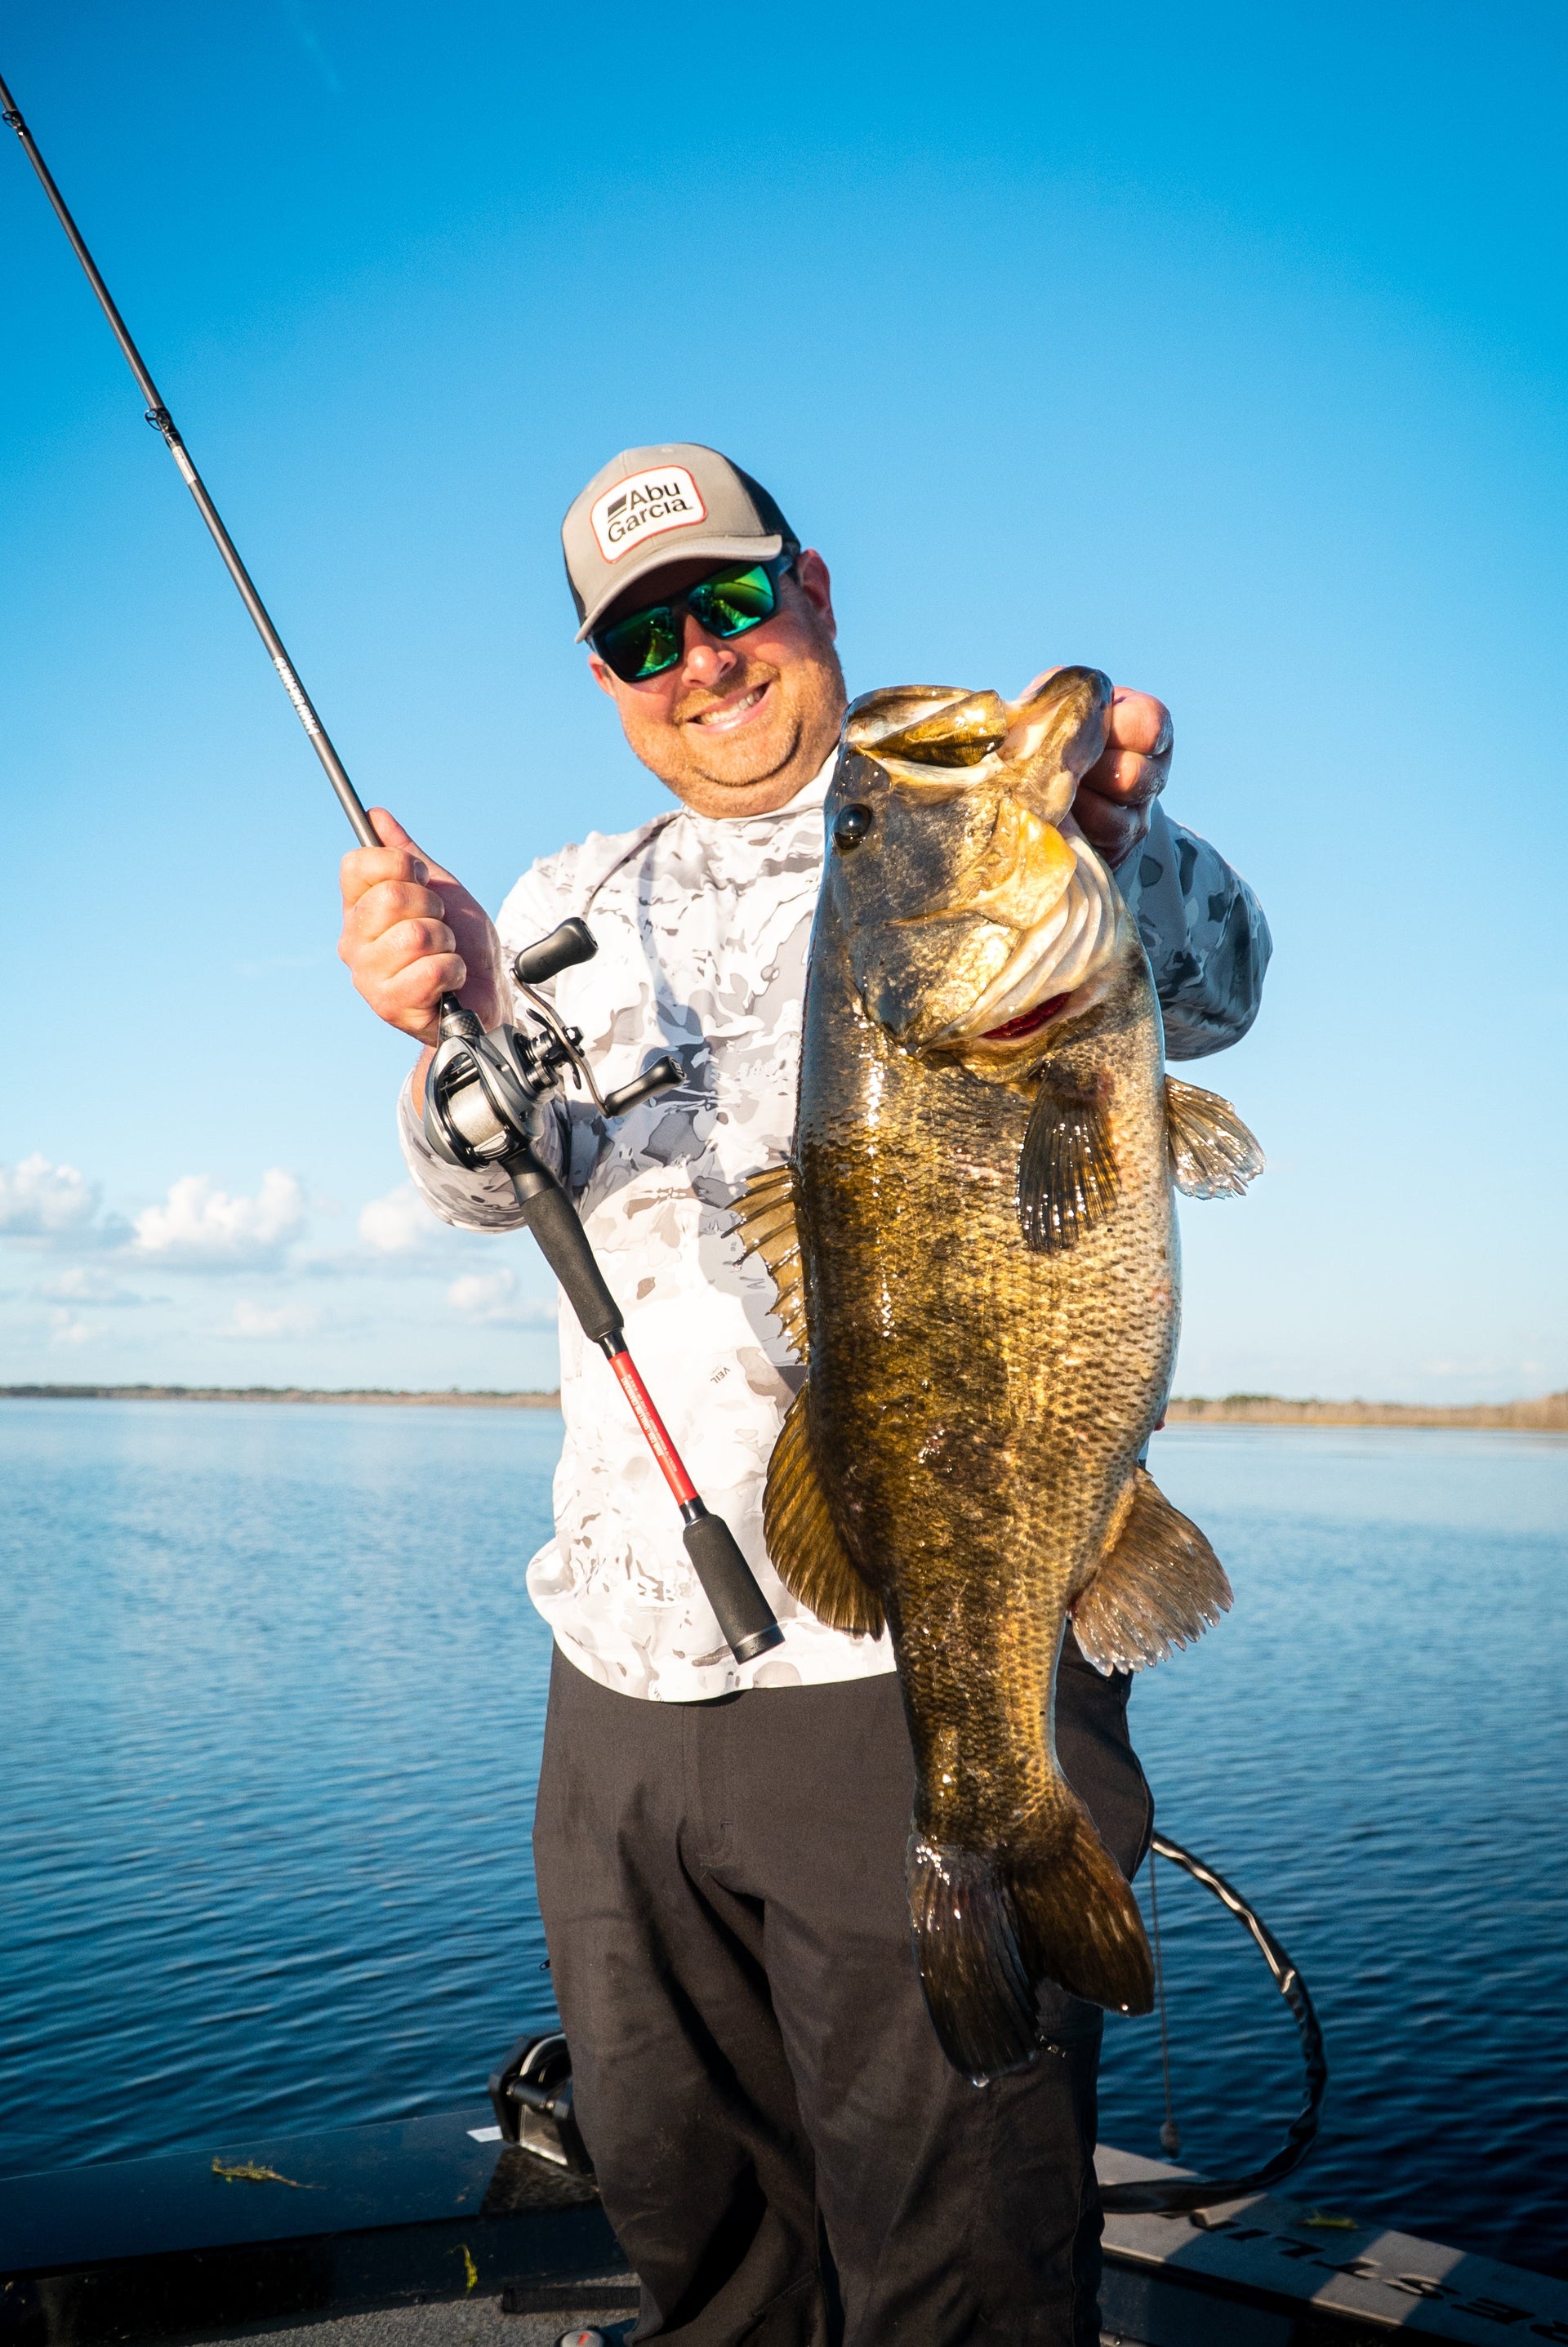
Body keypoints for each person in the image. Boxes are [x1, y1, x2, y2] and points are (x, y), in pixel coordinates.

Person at [338, 444, 1272, 2347]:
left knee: (960, 2265)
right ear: (606, 683)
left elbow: (1226, 983)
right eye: (645, 637)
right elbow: (470, 1180)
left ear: (815, 588)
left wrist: (1119, 834)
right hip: (622, 1688)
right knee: (700, 2242)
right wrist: (436, 1018)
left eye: (732, 601)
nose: (703, 659)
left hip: (913, 1667)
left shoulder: (977, 828)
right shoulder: (559, 903)